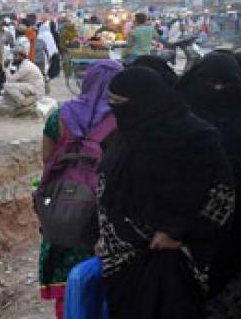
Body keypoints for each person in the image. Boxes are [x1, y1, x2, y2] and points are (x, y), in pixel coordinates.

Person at [98, 67, 234, 319]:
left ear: (147, 101)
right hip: (121, 259)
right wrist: (103, 236)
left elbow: (221, 194)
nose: (115, 109)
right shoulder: (123, 136)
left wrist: (179, 232)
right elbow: (108, 192)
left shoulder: (197, 138)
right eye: (112, 102)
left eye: (121, 103)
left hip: (174, 255)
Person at [176, 54, 241, 317]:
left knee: (239, 267)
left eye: (226, 84)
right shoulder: (182, 110)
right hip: (198, 204)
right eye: (212, 84)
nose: (219, 90)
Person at [36, 59, 123, 318]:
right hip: (104, 208)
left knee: (68, 279)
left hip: (66, 206)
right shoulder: (122, 121)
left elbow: (47, 161)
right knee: (103, 278)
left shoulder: (59, 115)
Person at [0, 39, 44, 113]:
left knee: (7, 86)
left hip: (35, 89)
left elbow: (11, 80)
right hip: (30, 86)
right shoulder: (23, 64)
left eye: (16, 55)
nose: (14, 57)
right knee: (5, 93)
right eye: (14, 55)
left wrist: (6, 68)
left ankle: (24, 103)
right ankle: (25, 101)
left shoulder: (26, 66)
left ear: (22, 56)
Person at [35, 22, 60, 93]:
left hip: (42, 56)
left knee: (41, 73)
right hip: (51, 53)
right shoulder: (49, 34)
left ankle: (42, 87)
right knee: (45, 72)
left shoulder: (41, 35)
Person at [0, 23, 15, 96]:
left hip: (2, 58)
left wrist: (9, 57)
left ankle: (0, 91)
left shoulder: (7, 34)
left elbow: (12, 45)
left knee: (2, 75)